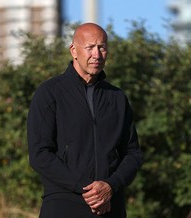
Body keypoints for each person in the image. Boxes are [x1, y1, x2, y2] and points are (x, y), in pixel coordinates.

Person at [27, 22, 143, 218]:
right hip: (63, 205)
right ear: (74, 50)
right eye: (90, 47)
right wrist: (88, 190)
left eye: (102, 47)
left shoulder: (117, 98)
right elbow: (39, 154)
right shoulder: (50, 93)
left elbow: (133, 154)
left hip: (110, 206)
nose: (96, 55)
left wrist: (110, 187)